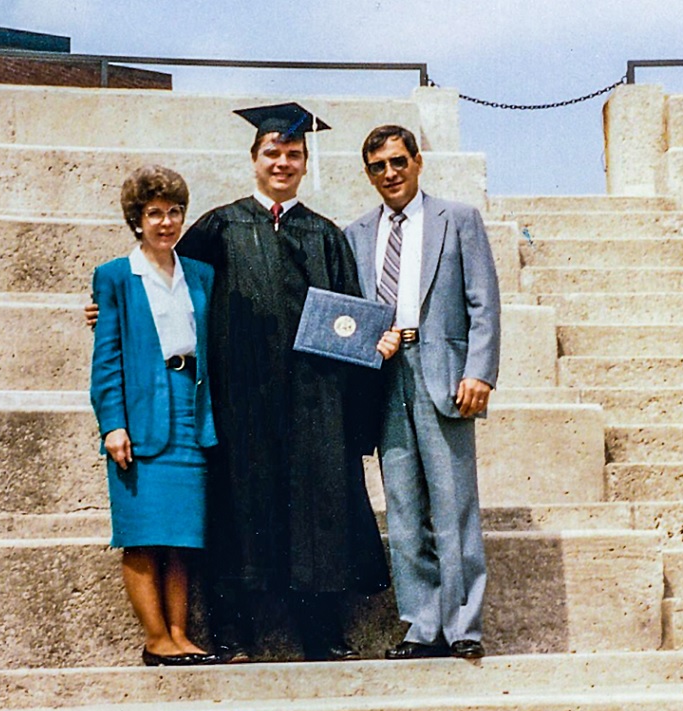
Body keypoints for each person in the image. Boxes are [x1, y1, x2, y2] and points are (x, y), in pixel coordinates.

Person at [173, 103, 395, 663]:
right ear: (254, 160)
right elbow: (170, 287)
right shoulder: (221, 226)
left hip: (313, 403)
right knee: (237, 507)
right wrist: (116, 309)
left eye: (293, 154)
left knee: (318, 512)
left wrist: (355, 410)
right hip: (240, 398)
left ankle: (320, 633)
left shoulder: (325, 236)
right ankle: (233, 633)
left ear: (304, 163)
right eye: (273, 153)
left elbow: (351, 322)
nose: (283, 162)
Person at [343, 124, 501, 660]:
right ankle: (421, 624)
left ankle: (463, 626)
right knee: (405, 508)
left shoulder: (456, 220)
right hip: (385, 377)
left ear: (417, 162)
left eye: (398, 162)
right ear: (368, 174)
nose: (390, 173)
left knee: (454, 504)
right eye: (378, 167)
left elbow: (484, 303)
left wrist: (479, 372)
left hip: (445, 373)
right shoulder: (357, 233)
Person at [90, 165, 219, 667]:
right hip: (142, 413)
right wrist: (112, 423)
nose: (166, 222)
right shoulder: (116, 277)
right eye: (154, 213)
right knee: (143, 536)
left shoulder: (200, 275)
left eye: (174, 212)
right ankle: (155, 638)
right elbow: (107, 360)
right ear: (136, 220)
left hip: (192, 408)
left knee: (183, 537)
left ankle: (180, 634)